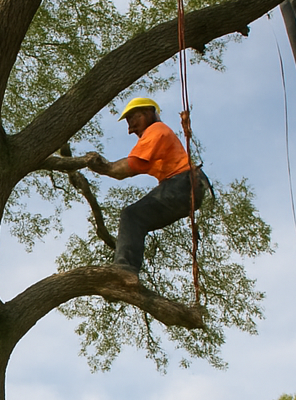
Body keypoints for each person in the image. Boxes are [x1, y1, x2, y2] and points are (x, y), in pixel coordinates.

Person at [86, 97, 208, 277]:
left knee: (132, 215)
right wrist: (106, 168)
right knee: (136, 219)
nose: (130, 129)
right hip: (185, 186)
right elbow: (126, 170)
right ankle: (126, 271)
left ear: (148, 113)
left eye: (132, 119)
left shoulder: (156, 130)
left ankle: (124, 270)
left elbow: (127, 167)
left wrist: (104, 167)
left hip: (182, 183)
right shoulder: (158, 138)